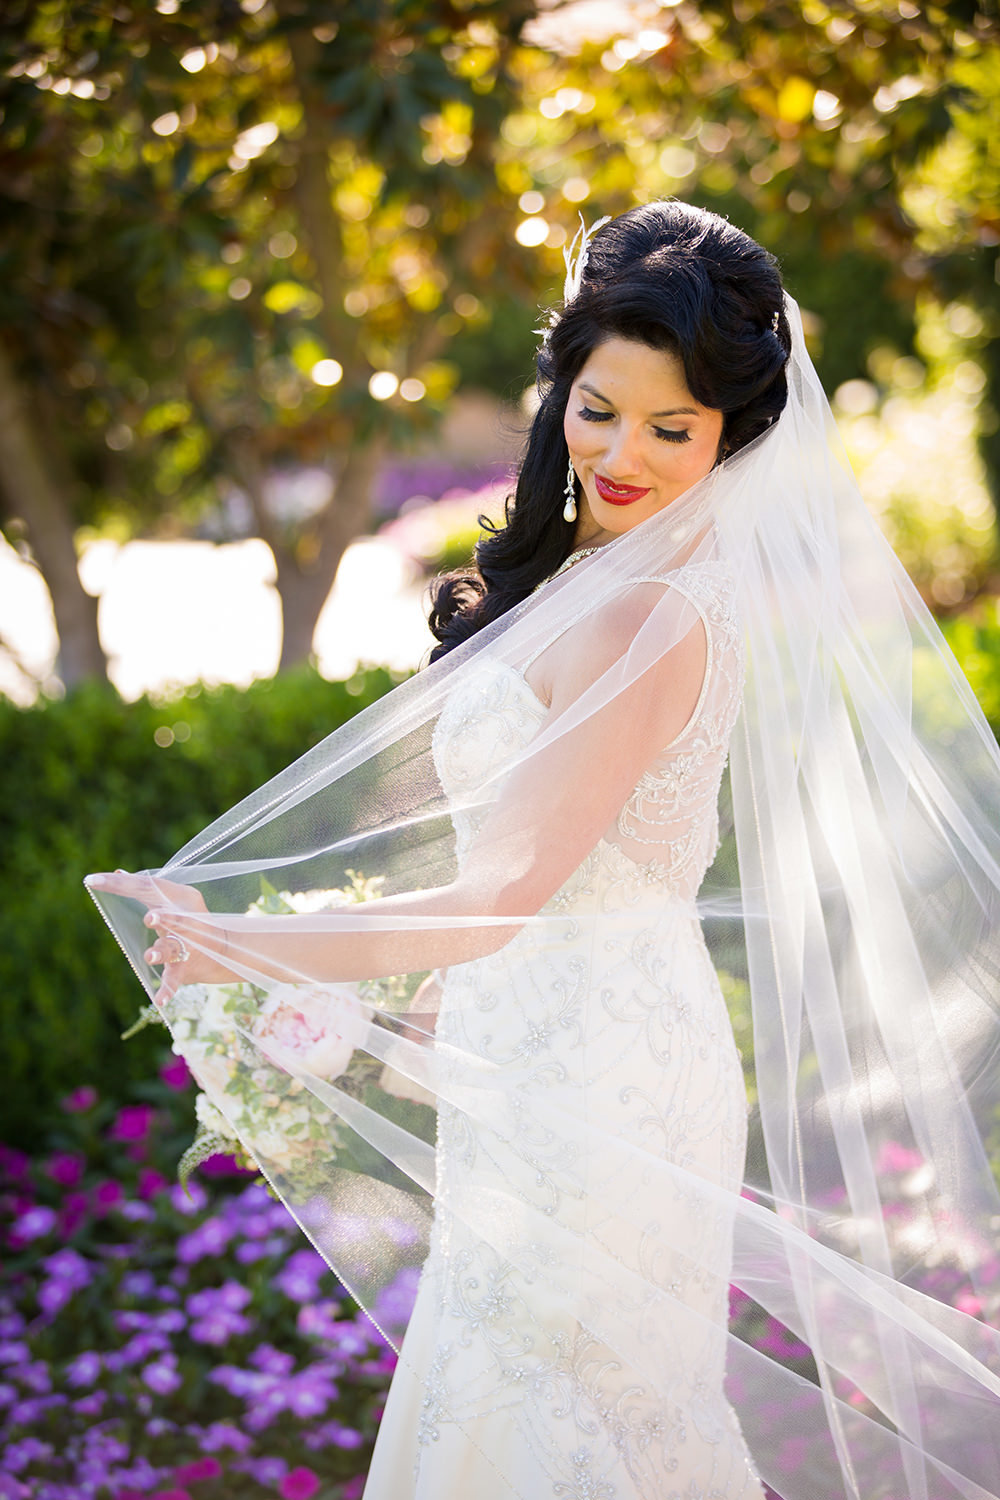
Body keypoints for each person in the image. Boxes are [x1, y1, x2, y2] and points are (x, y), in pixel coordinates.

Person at [87, 202, 1000, 1500]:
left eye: (671, 429)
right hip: (527, 1043)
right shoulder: (579, 570)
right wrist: (421, 1000)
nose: (622, 452)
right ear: (559, 385)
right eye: (598, 407)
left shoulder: (666, 614)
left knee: (580, 1411)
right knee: (506, 1380)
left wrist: (229, 939)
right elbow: (527, 866)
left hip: (609, 1074)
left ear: (734, 434)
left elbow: (507, 893)